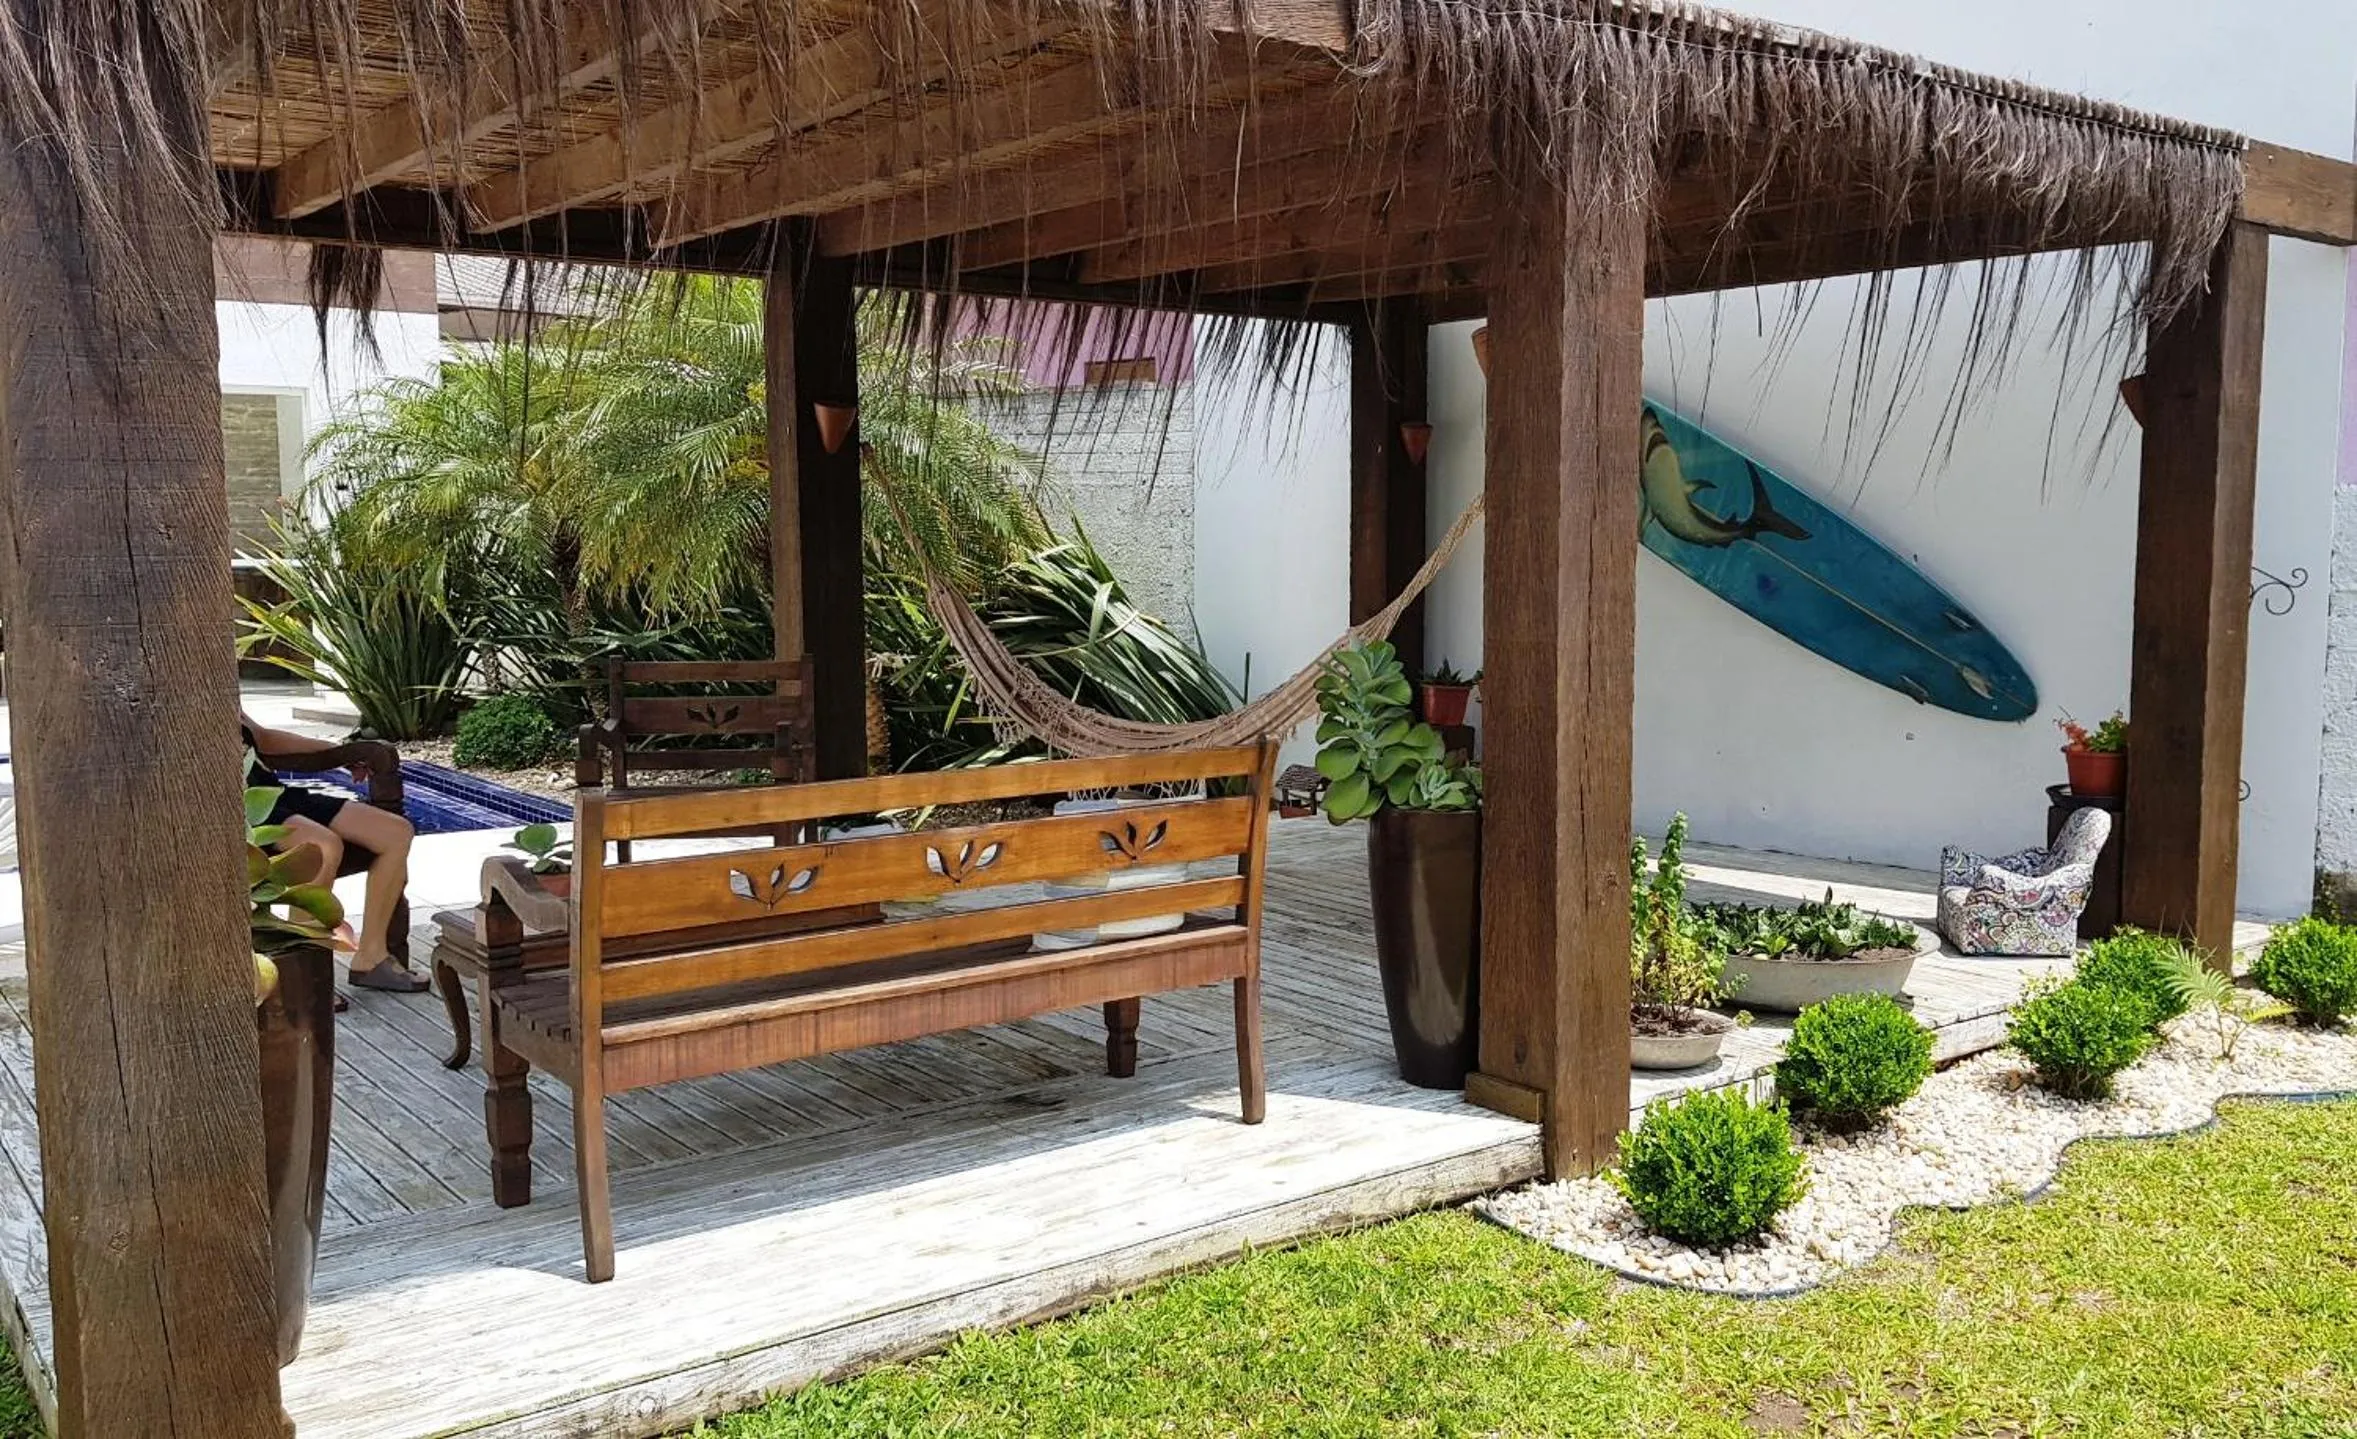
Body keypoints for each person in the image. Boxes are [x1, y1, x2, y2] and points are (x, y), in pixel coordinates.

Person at [241, 713, 426, 993]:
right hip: (240, 810)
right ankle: (302, 976)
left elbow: (264, 739)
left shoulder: (222, 691)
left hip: (276, 797)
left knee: (396, 832)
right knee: (322, 846)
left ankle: (371, 957)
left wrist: (340, 753)